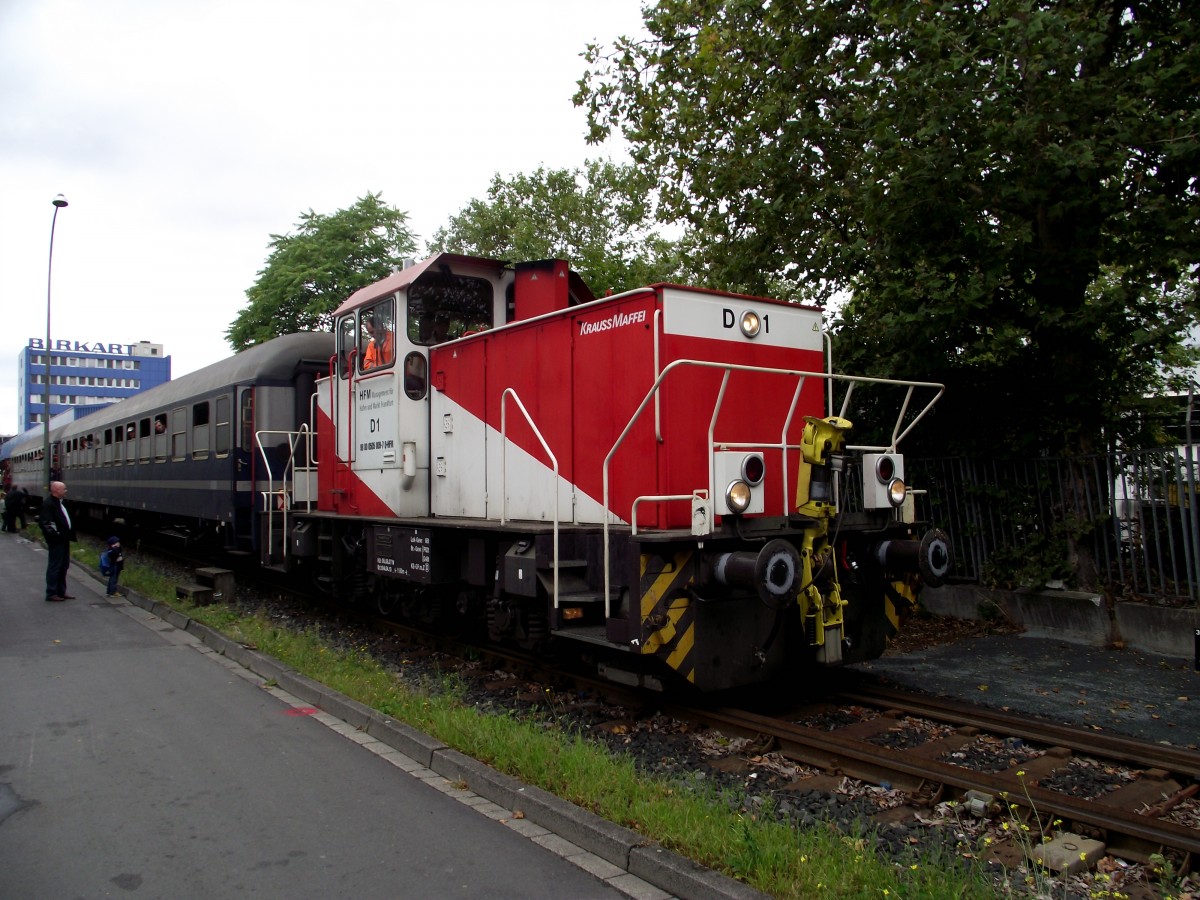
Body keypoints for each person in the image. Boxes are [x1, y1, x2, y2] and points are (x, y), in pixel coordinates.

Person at [39, 481, 76, 602]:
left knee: (64, 565)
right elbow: (45, 523)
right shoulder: (49, 504)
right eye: (64, 489)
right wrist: (56, 536)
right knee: (55, 566)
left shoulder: (59, 503)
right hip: (57, 541)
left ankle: (61, 591)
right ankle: (51, 592)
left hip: (63, 539)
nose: (66, 491)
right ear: (56, 490)